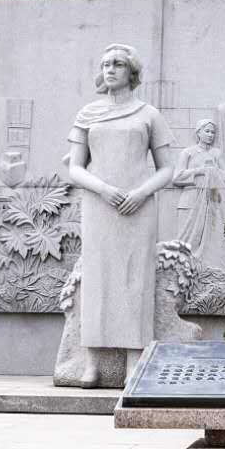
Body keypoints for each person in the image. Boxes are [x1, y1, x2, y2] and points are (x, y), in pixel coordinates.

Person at [65, 44, 176, 381]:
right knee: (97, 279)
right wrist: (103, 189)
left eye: (118, 64)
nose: (110, 69)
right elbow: (75, 167)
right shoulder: (87, 114)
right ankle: (92, 363)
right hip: (99, 206)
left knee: (134, 280)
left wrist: (141, 193)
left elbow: (167, 169)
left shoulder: (149, 114)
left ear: (132, 72)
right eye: (105, 64)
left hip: (138, 207)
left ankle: (134, 361)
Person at [172, 118, 225, 266]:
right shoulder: (188, 153)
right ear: (198, 133)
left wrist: (214, 172)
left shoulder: (216, 153)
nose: (211, 135)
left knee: (210, 237)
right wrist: (200, 171)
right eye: (207, 131)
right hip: (190, 199)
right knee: (186, 239)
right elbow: (177, 177)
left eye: (213, 132)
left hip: (211, 200)